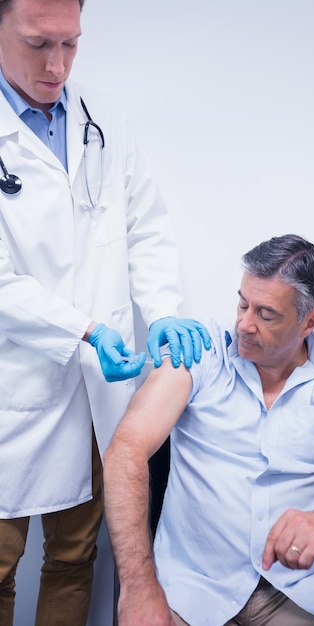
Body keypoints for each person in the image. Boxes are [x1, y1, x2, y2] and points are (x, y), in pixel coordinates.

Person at [0, 0, 211, 624]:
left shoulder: (103, 119)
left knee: (75, 556)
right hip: (14, 387)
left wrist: (166, 309)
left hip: (99, 392)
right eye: (40, 44)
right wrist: (84, 330)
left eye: (71, 44)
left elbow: (145, 227)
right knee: (0, 565)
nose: (57, 64)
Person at [104, 234, 314, 626]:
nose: (244, 324)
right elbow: (125, 450)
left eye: (266, 314)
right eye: (242, 303)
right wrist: (138, 587)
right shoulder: (203, 350)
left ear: (309, 322)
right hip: (188, 591)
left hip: (296, 594)